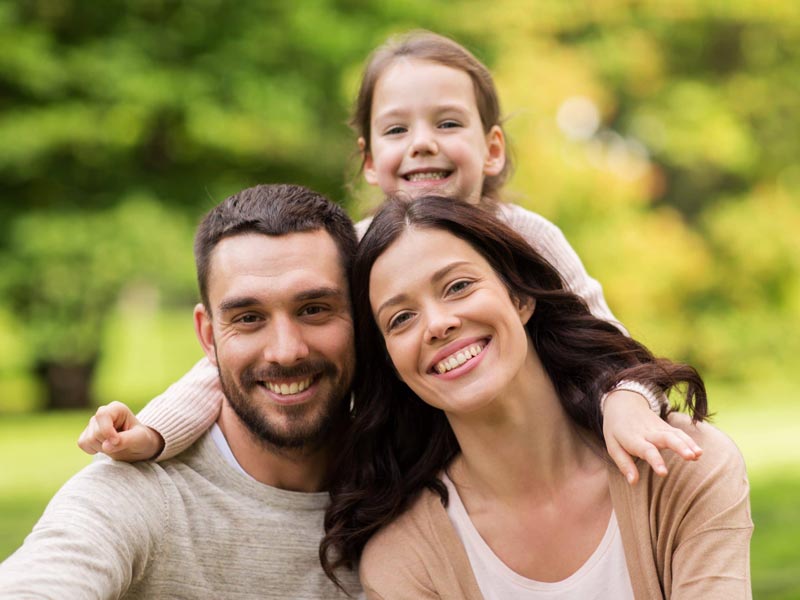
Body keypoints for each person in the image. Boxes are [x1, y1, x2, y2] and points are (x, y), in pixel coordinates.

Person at [79, 30, 701, 484]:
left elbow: (607, 344)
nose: (423, 143)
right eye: (398, 130)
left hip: (545, 459)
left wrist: (628, 400)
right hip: (420, 469)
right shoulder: (355, 251)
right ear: (371, 159)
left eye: (448, 123)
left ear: (491, 148)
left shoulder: (527, 236)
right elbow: (236, 354)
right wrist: (156, 430)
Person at [321, 195, 752, 599]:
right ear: (391, 362)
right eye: (401, 318)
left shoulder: (681, 467)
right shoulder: (405, 560)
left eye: (457, 286)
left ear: (520, 296)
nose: (437, 323)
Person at [0, 184, 362, 598]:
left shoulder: (412, 480)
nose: (285, 351)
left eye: (313, 309)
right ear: (208, 336)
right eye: (248, 318)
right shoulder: (139, 495)